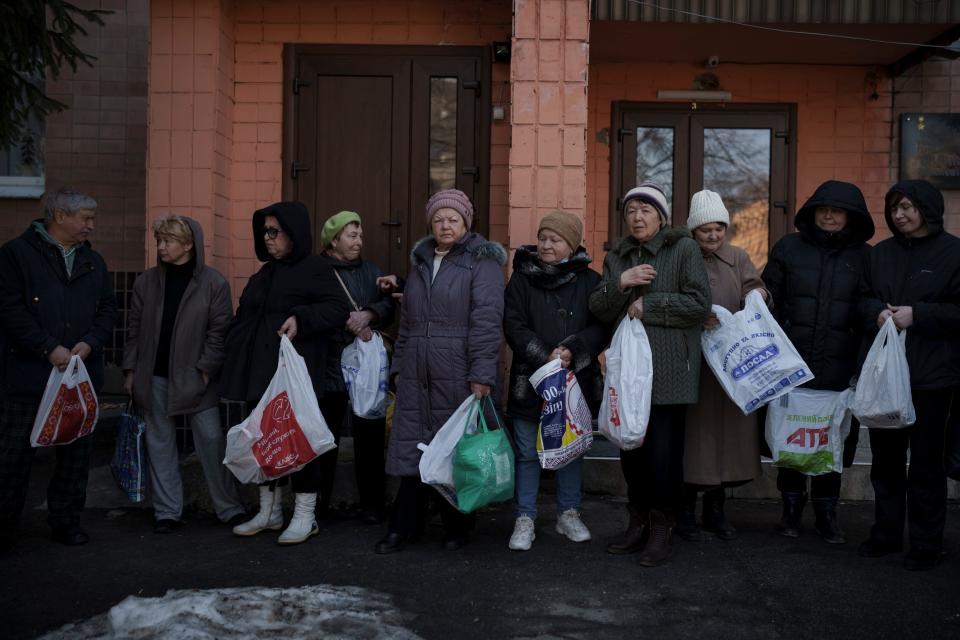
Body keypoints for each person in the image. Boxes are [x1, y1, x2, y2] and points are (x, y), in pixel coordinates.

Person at [376, 188, 506, 554]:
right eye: (438, 219)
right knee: (416, 449)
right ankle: (405, 526)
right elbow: (409, 324)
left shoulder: (482, 265)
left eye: (453, 218)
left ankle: (457, 526)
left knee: (453, 451)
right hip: (417, 371)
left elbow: (486, 323)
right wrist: (399, 369)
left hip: (459, 370)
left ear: (466, 222)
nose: (445, 225)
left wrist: (482, 374)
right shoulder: (420, 264)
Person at [589, 181, 711, 567]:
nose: (637, 217)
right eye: (631, 211)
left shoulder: (683, 248)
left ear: (660, 216)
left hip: (671, 370)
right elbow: (599, 309)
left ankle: (662, 527)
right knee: (631, 454)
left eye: (646, 210)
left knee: (663, 456)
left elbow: (698, 303)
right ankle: (637, 521)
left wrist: (649, 304)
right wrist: (621, 284)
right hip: (628, 376)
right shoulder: (618, 255)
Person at [221, 201, 350, 545]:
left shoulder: (314, 268)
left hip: (295, 378)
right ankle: (269, 511)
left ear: (294, 233)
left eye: (275, 231)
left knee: (298, 441)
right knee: (264, 441)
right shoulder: (264, 273)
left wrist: (300, 318)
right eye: (264, 231)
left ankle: (305, 516)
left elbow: (337, 309)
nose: (268, 238)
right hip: (259, 375)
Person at [0, 188, 117, 548]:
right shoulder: (16, 255)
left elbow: (108, 309)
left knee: (75, 457)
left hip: (78, 379)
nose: (91, 226)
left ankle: (67, 522)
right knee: (12, 458)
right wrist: (47, 347)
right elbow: (8, 309)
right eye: (85, 218)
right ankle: (4, 529)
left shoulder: (93, 261)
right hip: (26, 377)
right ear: (60, 216)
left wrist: (91, 342)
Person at [762, 180, 874, 543]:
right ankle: (790, 509)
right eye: (823, 209)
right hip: (792, 367)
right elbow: (769, 302)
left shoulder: (865, 257)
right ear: (812, 212)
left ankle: (827, 512)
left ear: (850, 217)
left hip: (840, 370)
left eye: (837, 210)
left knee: (832, 443)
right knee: (792, 440)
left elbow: (870, 311)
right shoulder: (789, 248)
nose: (829, 215)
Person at [858, 180, 960, 571]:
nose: (899, 214)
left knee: (926, 465)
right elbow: (862, 297)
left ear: (928, 208)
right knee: (885, 461)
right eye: (895, 207)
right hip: (885, 376)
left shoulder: (955, 253)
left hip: (932, 377)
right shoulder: (879, 254)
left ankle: (925, 544)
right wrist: (876, 313)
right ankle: (884, 535)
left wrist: (919, 315)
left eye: (907, 207)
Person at [122, 215, 246, 533]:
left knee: (211, 440)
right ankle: (167, 512)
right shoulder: (145, 282)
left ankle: (228, 507)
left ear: (188, 244)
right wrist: (131, 370)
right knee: (159, 442)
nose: (161, 247)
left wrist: (205, 372)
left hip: (197, 378)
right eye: (159, 240)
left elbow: (219, 333)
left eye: (168, 241)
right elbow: (133, 329)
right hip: (154, 377)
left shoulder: (213, 283)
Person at [503, 210, 607, 551]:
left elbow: (601, 327)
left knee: (571, 451)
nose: (546, 245)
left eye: (555, 239)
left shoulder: (591, 282)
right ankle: (525, 517)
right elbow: (513, 325)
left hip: (575, 381)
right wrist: (544, 353)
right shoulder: (521, 279)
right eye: (543, 237)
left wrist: (573, 351)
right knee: (527, 453)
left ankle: (569, 513)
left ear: (572, 244)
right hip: (531, 381)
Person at [679, 190, 767, 542]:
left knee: (727, 442)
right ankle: (684, 509)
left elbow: (755, 287)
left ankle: (716, 510)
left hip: (732, 362)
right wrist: (697, 315)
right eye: (705, 230)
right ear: (693, 233)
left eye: (718, 229)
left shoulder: (739, 257)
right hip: (694, 361)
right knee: (693, 440)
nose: (713, 236)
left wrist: (757, 296)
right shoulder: (683, 256)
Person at [317, 210, 398, 524]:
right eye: (352, 235)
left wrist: (371, 314)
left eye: (360, 235)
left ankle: (372, 505)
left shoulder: (371, 270)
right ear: (333, 240)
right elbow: (312, 308)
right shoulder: (317, 271)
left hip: (365, 366)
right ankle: (319, 504)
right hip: (330, 363)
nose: (359, 242)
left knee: (370, 433)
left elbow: (388, 306)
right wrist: (347, 322)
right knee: (325, 436)